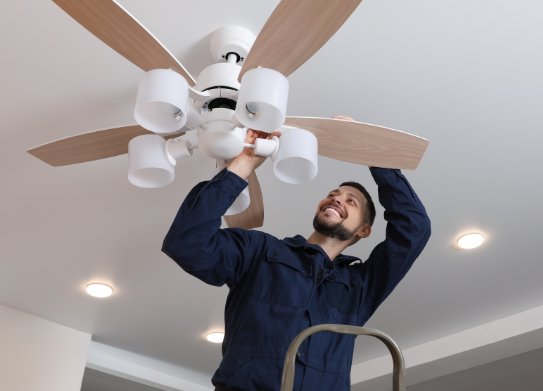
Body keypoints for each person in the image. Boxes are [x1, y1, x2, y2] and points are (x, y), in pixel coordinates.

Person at [162, 116, 431, 391]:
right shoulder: (260, 251)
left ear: (363, 230)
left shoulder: (361, 287)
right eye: (333, 194)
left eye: (351, 201)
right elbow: (187, 244)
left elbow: (414, 229)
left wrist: (369, 151)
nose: (336, 198)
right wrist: (241, 165)